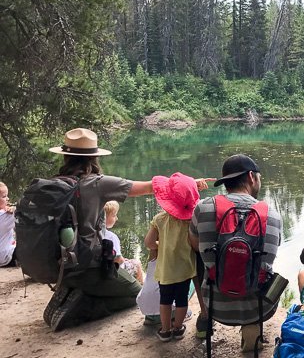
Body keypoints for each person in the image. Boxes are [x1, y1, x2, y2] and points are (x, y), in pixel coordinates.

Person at [43, 128, 210, 331]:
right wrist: (189, 184)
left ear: (66, 156)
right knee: (134, 293)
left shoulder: (55, 183)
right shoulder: (97, 183)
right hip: (89, 265)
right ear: (94, 158)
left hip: (60, 263)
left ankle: (74, 288)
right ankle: (83, 303)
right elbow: (152, 186)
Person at [189, 154, 282, 352]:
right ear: (251, 177)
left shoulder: (202, 208)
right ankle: (252, 335)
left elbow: (195, 244)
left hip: (215, 304)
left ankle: (205, 319)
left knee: (198, 252)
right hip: (259, 308)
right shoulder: (272, 214)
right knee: (264, 261)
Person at [144, 172, 199, 341]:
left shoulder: (159, 219)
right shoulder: (190, 222)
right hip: (184, 270)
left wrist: (161, 246)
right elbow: (193, 243)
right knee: (182, 300)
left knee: (165, 301)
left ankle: (165, 330)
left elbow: (149, 242)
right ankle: (178, 328)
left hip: (165, 270)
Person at [103, 201, 143, 283]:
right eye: (114, 215)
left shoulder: (94, 233)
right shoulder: (111, 236)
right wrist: (123, 260)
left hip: (101, 267)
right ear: (104, 218)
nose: (116, 218)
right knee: (137, 263)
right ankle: (140, 286)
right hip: (114, 270)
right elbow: (118, 259)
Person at [0, 182, 17, 268]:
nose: (7, 198)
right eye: (4, 196)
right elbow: (21, 212)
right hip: (5, 258)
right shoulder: (5, 215)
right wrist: (13, 209)